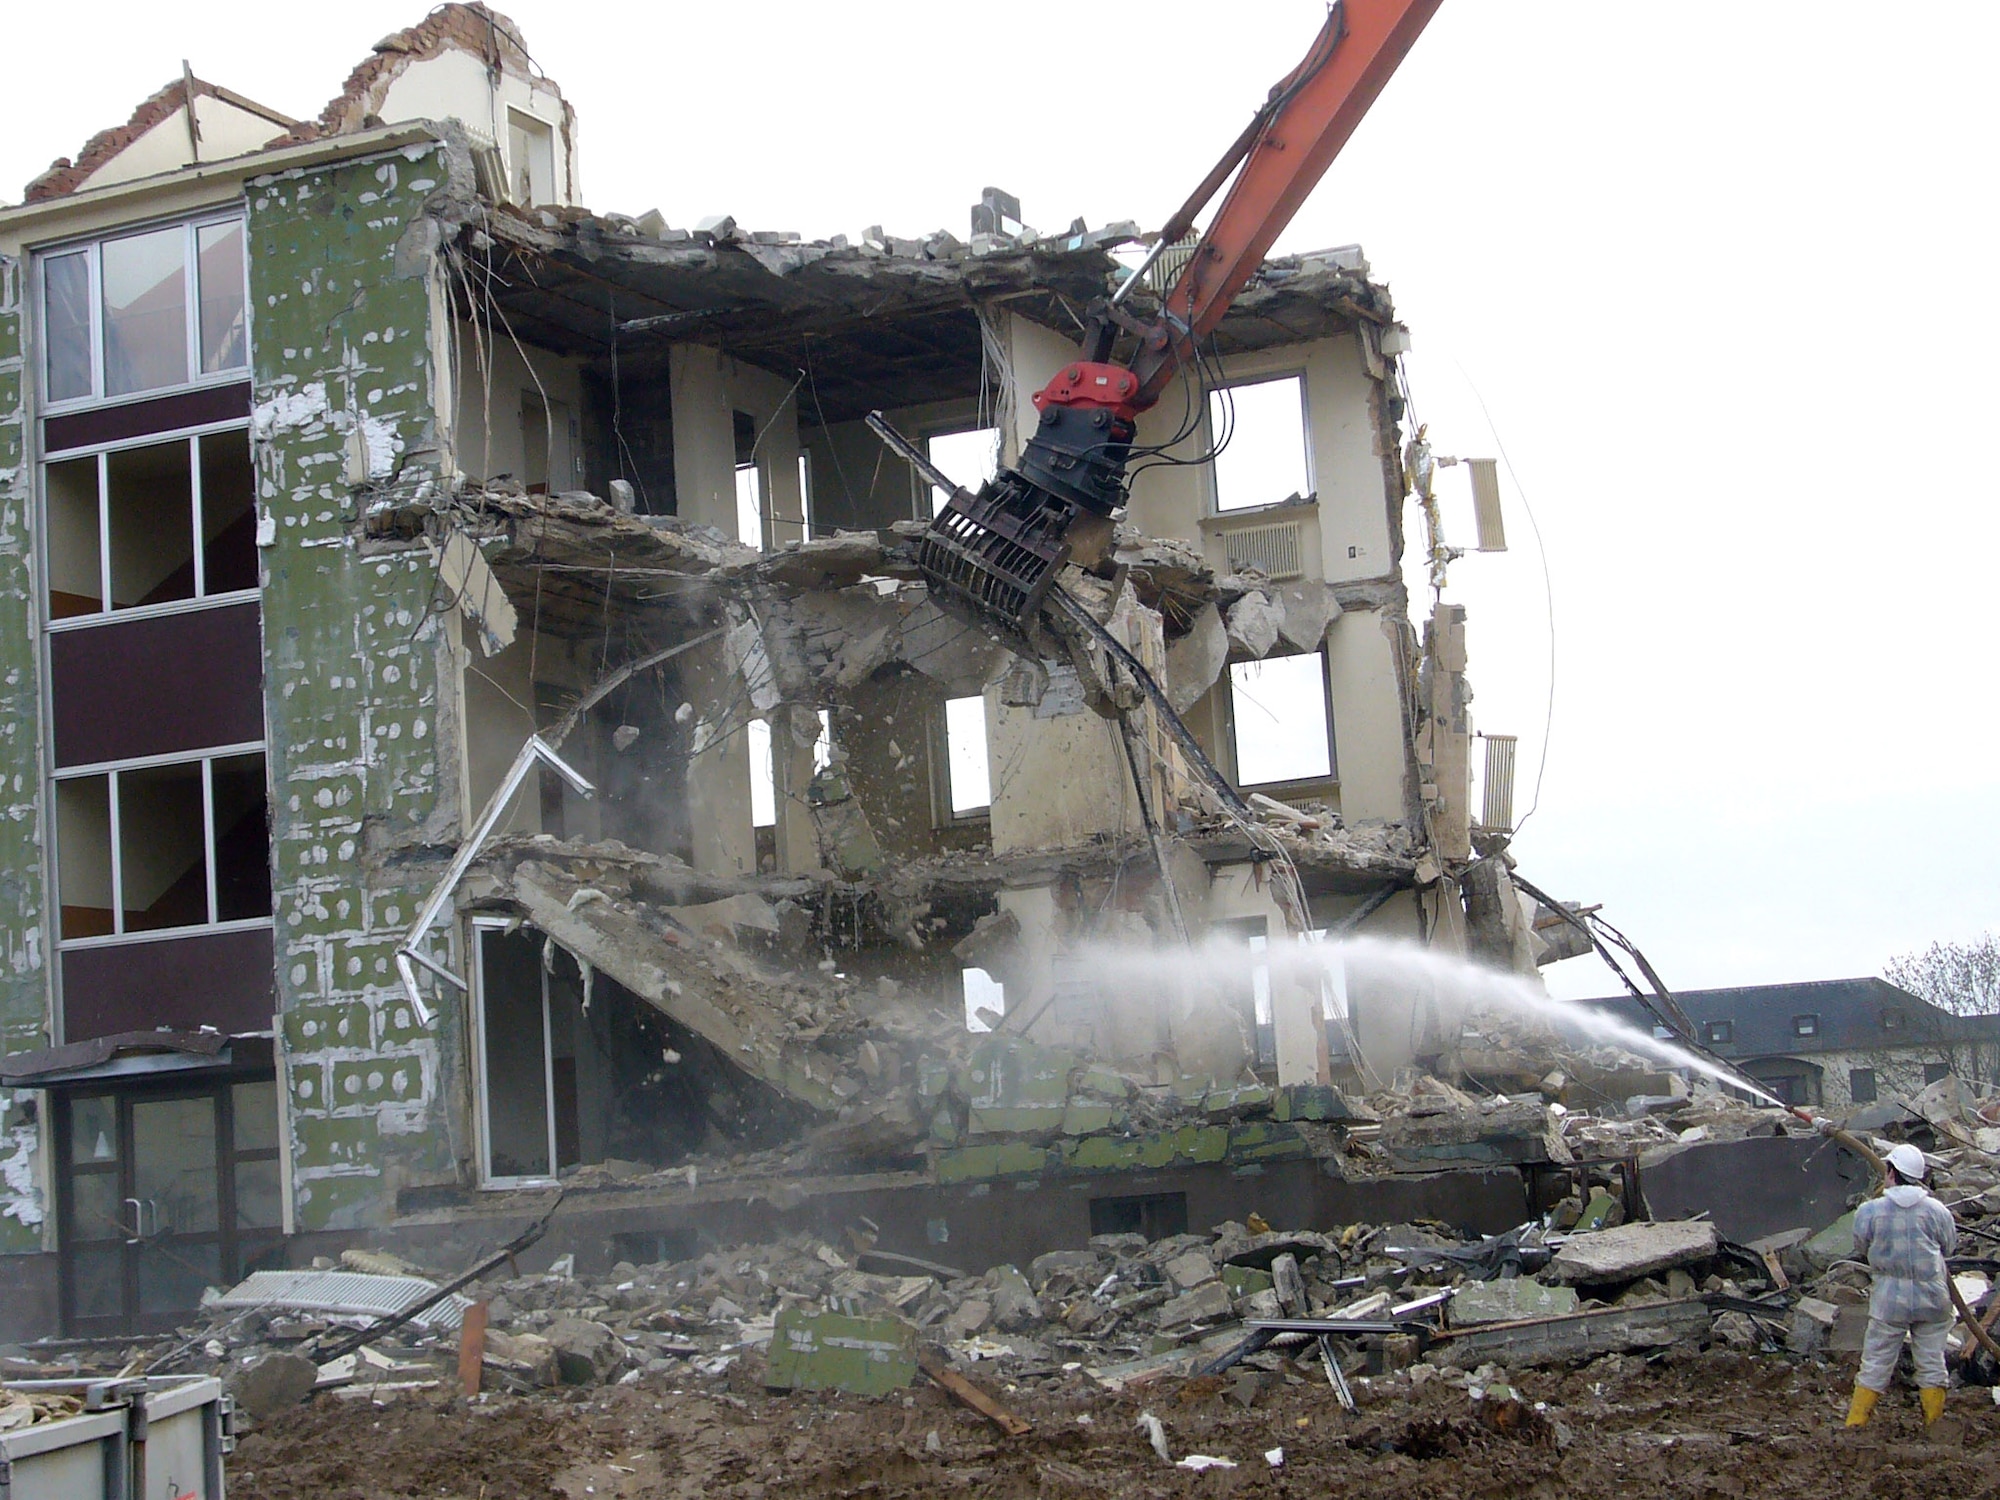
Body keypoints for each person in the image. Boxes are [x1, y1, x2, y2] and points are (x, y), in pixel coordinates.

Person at [1845, 1141, 1958, 1428]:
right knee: (1932, 1363)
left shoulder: (1869, 1211)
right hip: (1932, 1298)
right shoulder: (1937, 1210)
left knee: (1875, 1364)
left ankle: (1856, 1425)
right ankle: (1934, 1424)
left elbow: (1860, 1245)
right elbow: (1949, 1248)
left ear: (1892, 1171)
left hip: (1889, 1301)